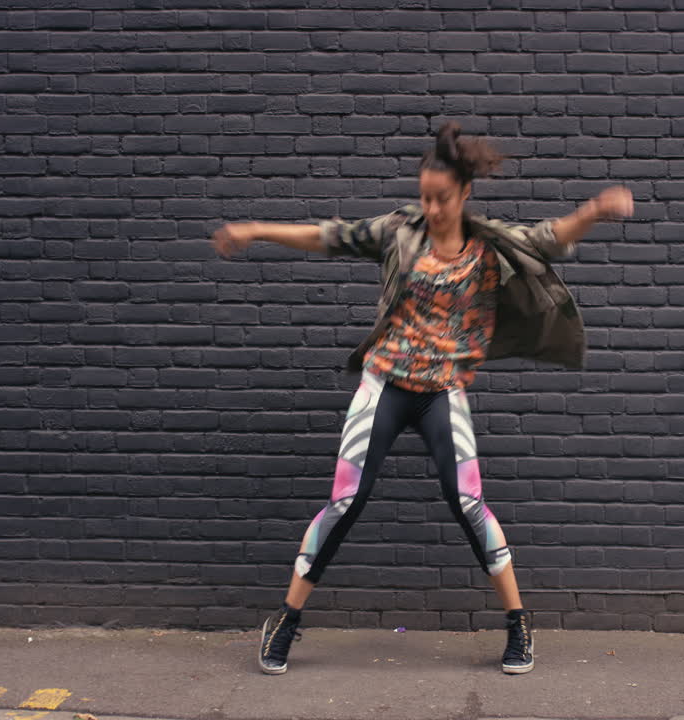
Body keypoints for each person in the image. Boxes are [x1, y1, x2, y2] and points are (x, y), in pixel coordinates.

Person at [212, 121, 634, 675]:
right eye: (425, 197)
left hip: (442, 390)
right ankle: (286, 622)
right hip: (385, 382)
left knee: (468, 502)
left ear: (464, 195)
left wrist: (595, 212)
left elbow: (549, 239)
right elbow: (327, 236)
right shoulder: (398, 231)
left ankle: (518, 624)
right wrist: (255, 229)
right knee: (345, 502)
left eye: (441, 199)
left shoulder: (489, 245)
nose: (431, 208)